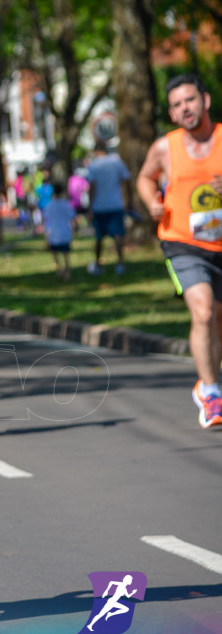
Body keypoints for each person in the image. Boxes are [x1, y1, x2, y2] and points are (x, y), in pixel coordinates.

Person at [137, 72, 222, 428]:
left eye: (189, 100)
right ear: (172, 114)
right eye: (176, 105)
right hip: (182, 241)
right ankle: (212, 393)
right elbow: (145, 177)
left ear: (205, 101)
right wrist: (151, 200)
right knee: (202, 312)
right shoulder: (164, 147)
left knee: (218, 321)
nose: (184, 108)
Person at [88, 141, 132, 275]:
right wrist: (128, 201)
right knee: (118, 235)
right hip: (116, 204)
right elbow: (126, 182)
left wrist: (90, 207)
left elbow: (92, 188)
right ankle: (120, 263)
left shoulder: (93, 165)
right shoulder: (116, 162)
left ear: (96, 151)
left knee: (99, 237)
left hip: (99, 206)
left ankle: (97, 263)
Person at [43, 182, 77, 280]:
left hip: (53, 234)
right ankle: (67, 273)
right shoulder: (66, 204)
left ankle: (59, 268)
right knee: (66, 255)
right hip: (65, 232)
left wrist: (46, 235)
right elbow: (72, 218)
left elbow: (46, 221)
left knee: (54, 253)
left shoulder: (49, 206)